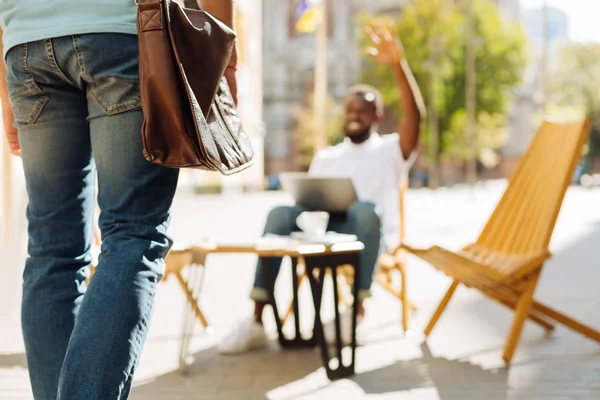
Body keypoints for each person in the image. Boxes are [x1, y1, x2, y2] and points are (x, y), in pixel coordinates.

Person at [0, 0, 237, 398]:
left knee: (51, 249)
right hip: (126, 35)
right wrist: (224, 64)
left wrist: (6, 89)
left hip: (26, 44)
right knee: (133, 234)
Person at [219, 21, 425, 354]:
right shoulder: (329, 156)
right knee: (279, 214)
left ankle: (354, 314)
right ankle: (257, 319)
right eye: (351, 110)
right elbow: (307, 201)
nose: (355, 116)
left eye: (364, 110)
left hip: (367, 236)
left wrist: (399, 66)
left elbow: (416, 118)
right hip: (327, 230)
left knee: (365, 210)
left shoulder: (391, 151)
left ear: (377, 116)